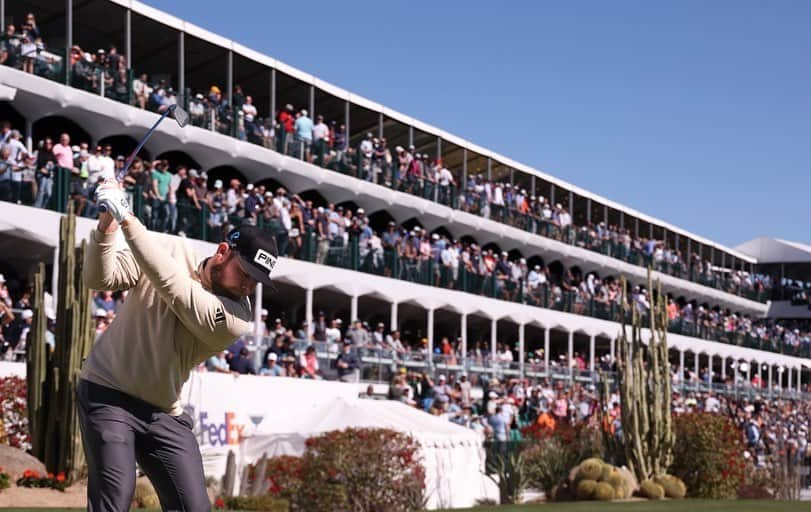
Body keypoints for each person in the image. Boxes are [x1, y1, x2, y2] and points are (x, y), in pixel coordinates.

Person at [77, 180, 278, 512]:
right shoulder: (169, 249)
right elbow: (100, 279)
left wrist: (126, 216)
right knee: (115, 497)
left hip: (163, 413)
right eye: (245, 273)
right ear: (223, 251)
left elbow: (175, 289)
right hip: (107, 392)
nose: (248, 285)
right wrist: (107, 222)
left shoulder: (237, 317)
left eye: (256, 281)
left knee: (195, 507)